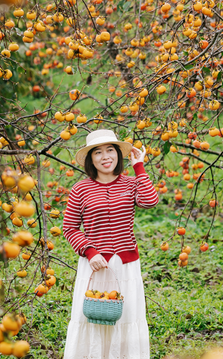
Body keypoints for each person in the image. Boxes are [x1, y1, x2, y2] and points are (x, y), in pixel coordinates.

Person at [62, 129, 160, 359]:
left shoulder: (130, 184)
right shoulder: (80, 189)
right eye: (98, 152)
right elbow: (69, 228)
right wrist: (90, 251)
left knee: (125, 318)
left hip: (125, 265)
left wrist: (139, 166)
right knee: (94, 317)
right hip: (94, 264)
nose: (105, 156)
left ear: (118, 154)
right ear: (91, 159)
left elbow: (150, 201)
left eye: (110, 150)